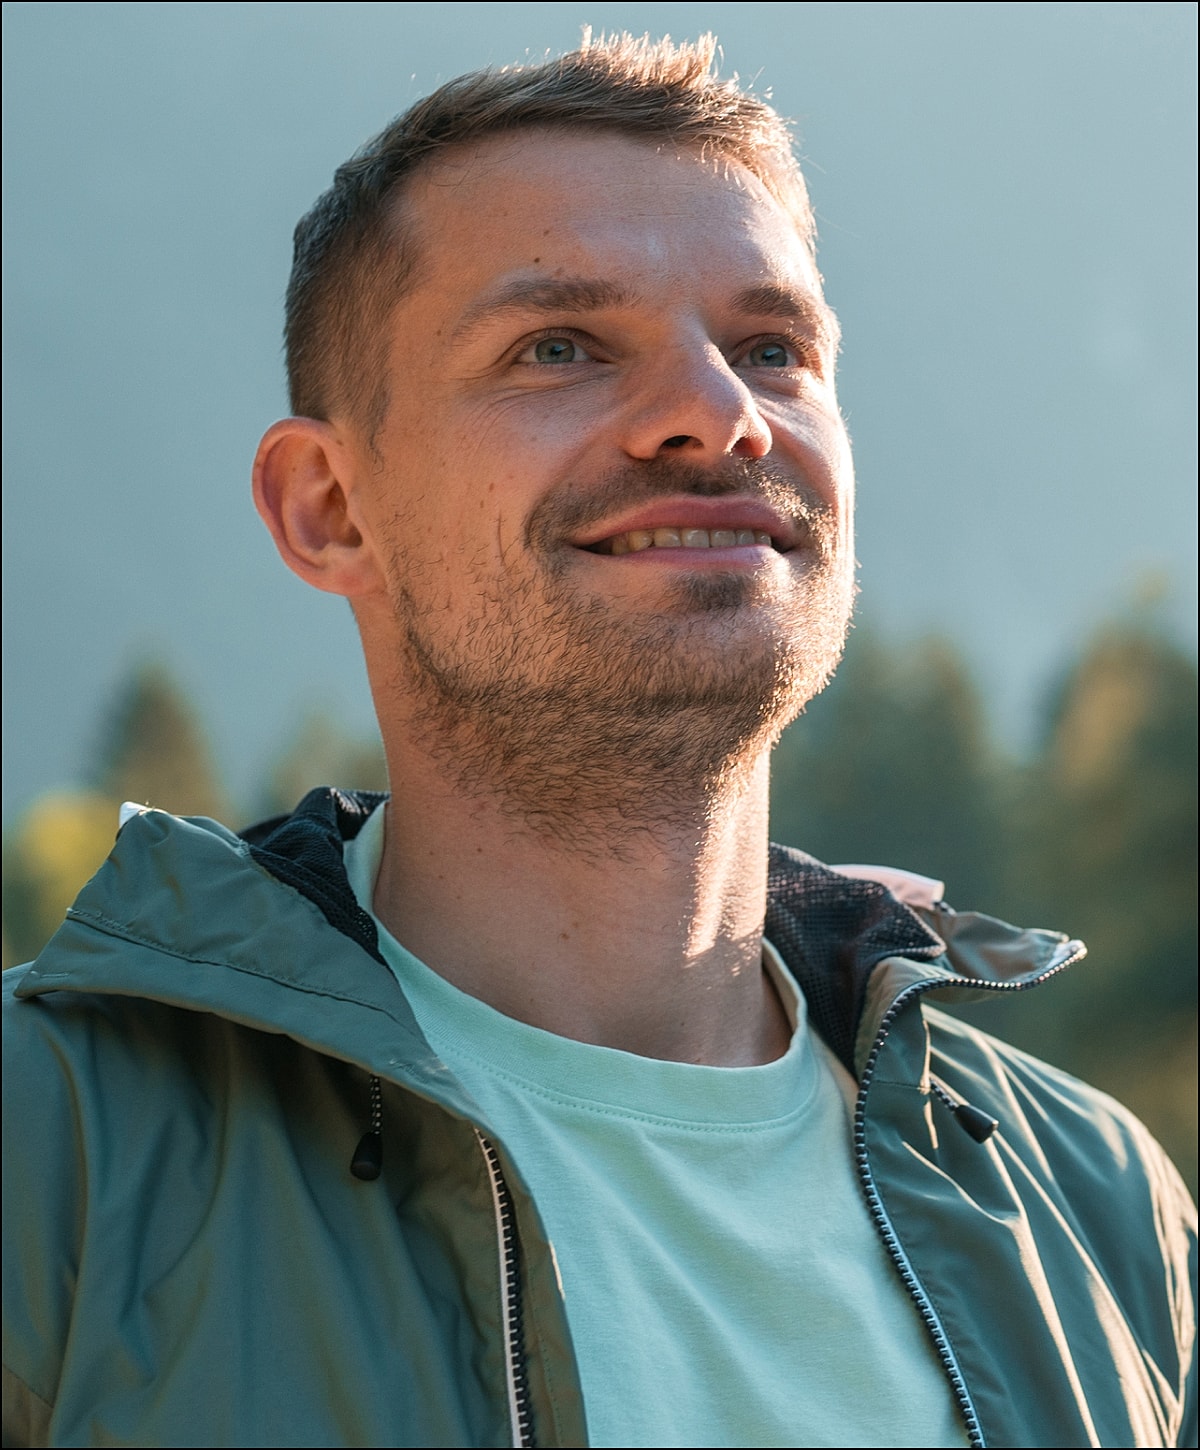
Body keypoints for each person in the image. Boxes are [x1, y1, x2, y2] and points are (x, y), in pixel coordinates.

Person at [2, 33, 1195, 1450]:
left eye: (773, 347)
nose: (720, 415)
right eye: (558, 346)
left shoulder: (1100, 1206)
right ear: (329, 506)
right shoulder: (53, 1149)